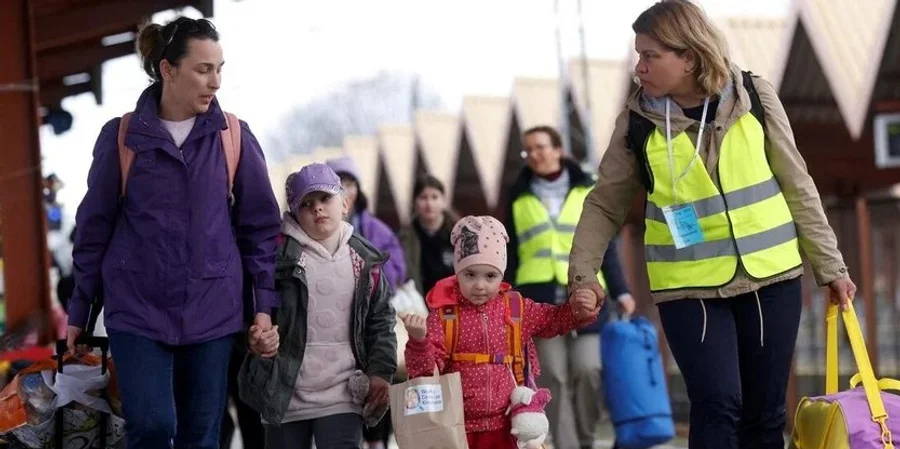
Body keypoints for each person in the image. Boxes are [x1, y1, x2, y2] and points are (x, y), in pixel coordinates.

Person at [567, 1, 856, 448]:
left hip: (771, 276)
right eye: (637, 55)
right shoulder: (637, 124)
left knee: (765, 412)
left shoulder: (755, 97)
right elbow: (604, 205)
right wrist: (583, 277)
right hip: (689, 289)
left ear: (689, 55)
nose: (638, 67)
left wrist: (831, 267)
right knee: (718, 403)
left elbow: (797, 183)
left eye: (649, 56)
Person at [65, 17, 281, 449]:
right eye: (203, 69)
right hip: (137, 308)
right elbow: (94, 229)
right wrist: (79, 311)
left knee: (201, 435)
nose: (215, 81)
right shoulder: (122, 137)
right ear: (168, 69)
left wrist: (263, 307)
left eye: (220, 69)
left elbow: (259, 230)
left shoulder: (233, 136)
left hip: (212, 310)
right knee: (152, 424)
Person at [401, 215, 601, 449]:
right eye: (470, 274)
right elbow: (423, 376)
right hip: (457, 431)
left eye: (490, 276)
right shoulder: (444, 316)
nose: (480, 285)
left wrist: (579, 309)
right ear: (457, 273)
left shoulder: (516, 308)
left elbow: (554, 320)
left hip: (509, 428)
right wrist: (418, 341)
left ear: (502, 275)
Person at [239, 163, 397, 449]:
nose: (317, 209)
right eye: (307, 204)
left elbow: (381, 319)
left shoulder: (365, 261)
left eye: (325, 199)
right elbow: (254, 306)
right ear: (295, 214)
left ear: (345, 203)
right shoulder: (277, 258)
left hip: (343, 394)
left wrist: (380, 372)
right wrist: (256, 340)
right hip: (285, 393)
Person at [505, 125, 636, 449]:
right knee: (554, 377)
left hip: (587, 295)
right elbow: (510, 253)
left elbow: (605, 243)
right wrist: (505, 295)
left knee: (589, 370)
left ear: (558, 149)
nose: (534, 154)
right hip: (538, 302)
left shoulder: (587, 190)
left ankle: (586, 439)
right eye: (528, 150)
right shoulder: (518, 195)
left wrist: (621, 290)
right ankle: (567, 446)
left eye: (540, 147)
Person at [327, 156, 406, 290]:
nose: (345, 191)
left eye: (350, 184)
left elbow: (398, 270)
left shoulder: (377, 229)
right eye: (339, 185)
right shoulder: (318, 227)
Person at [399, 174, 459, 295]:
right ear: (415, 202)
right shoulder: (405, 238)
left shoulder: (459, 234)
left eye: (434, 197)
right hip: (421, 306)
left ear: (444, 201)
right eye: (423, 198)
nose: (429, 204)